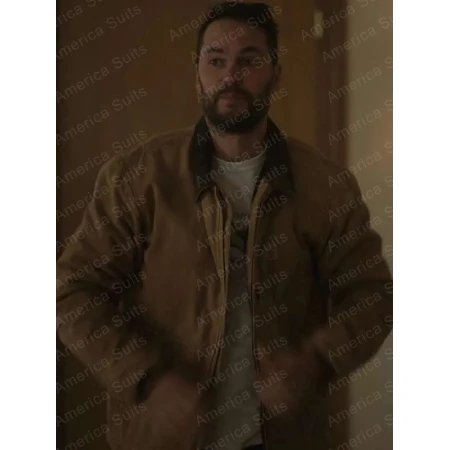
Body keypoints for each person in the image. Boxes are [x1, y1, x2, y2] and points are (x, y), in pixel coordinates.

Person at [56, 2, 393, 450]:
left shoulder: (325, 186)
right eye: (216, 61)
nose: (230, 76)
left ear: (276, 74)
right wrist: (147, 377)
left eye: (249, 61)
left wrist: (314, 361)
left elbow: (373, 296)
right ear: (197, 73)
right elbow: (72, 291)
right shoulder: (137, 178)